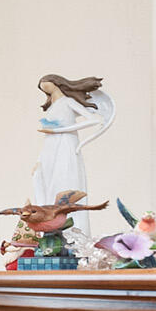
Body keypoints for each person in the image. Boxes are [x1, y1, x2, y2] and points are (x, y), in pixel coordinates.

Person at [32, 74, 113, 237]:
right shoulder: (53, 105)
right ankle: (50, 229)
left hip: (65, 144)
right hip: (50, 146)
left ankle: (73, 235)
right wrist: (40, 159)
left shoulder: (68, 102)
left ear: (55, 83)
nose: (45, 89)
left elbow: (93, 120)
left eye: (46, 85)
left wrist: (59, 130)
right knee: (45, 181)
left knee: (65, 180)